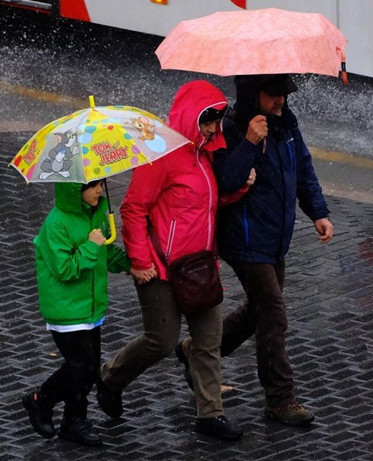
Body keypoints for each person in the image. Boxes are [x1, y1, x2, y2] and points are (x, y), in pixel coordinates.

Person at [176, 74, 333, 427]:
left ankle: (196, 351)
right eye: (272, 94)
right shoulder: (232, 129)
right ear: (252, 94)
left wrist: (318, 212)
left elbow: (303, 169)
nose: (280, 101)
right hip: (244, 240)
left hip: (274, 238)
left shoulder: (287, 125)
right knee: (273, 315)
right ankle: (279, 399)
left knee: (258, 311)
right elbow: (224, 181)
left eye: (283, 94)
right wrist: (249, 142)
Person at [96, 80, 244, 441]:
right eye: (208, 122)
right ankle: (110, 377)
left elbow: (204, 203)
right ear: (191, 117)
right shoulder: (160, 155)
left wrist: (240, 188)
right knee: (161, 341)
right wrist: (140, 261)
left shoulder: (206, 155)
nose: (214, 130)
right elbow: (133, 209)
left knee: (208, 341)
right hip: (160, 269)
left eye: (216, 122)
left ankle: (210, 414)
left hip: (200, 268)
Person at [21, 180, 131, 447]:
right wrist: (92, 245)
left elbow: (104, 253)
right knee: (81, 366)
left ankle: (74, 421)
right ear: (74, 190)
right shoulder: (56, 224)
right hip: (67, 311)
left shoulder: (97, 213)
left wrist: (131, 263)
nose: (99, 190)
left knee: (87, 369)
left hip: (90, 308)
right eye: (91, 186)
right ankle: (40, 400)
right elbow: (65, 268)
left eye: (99, 184)